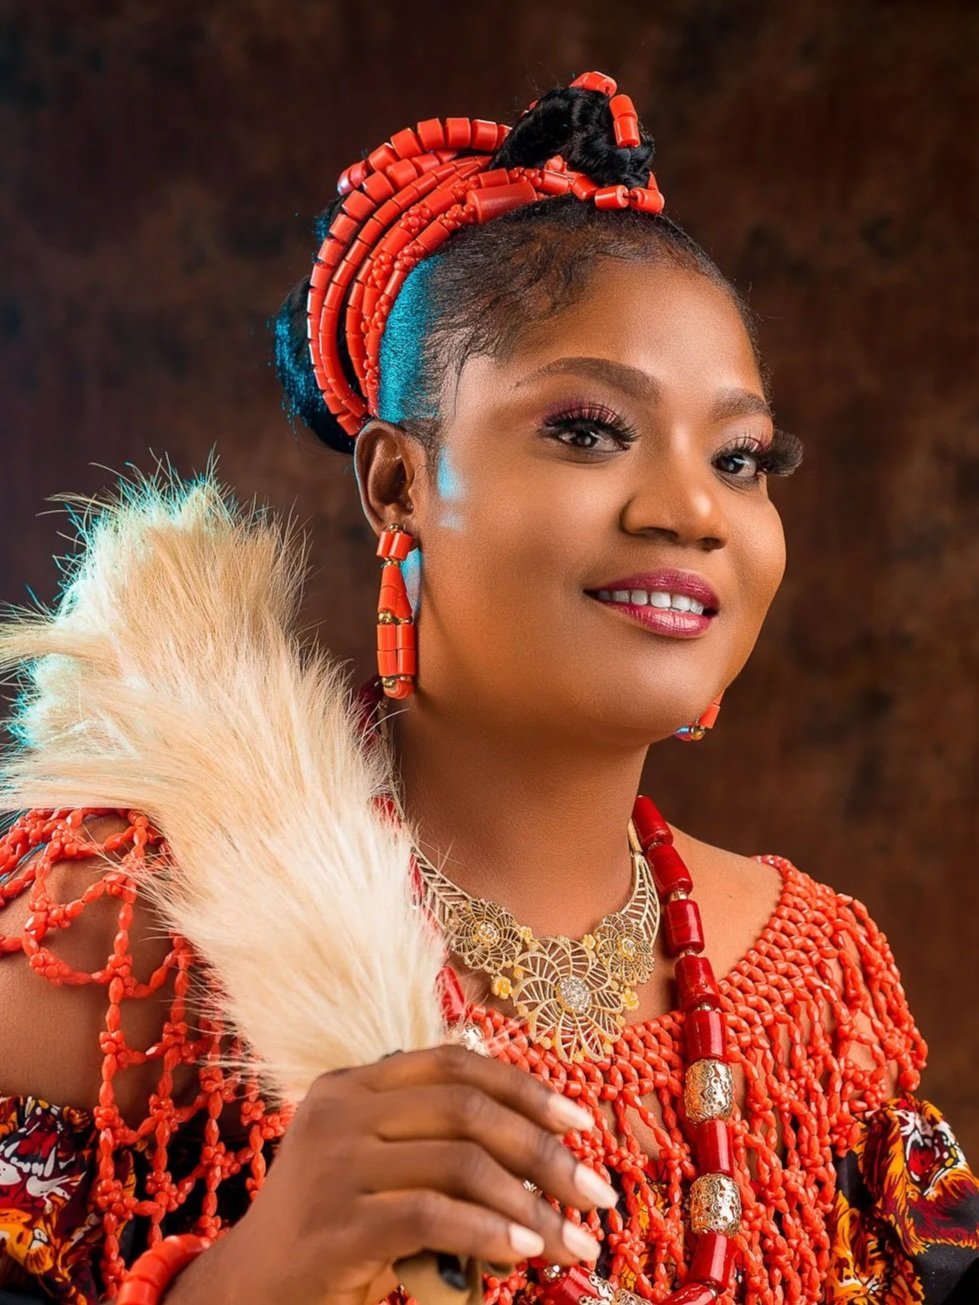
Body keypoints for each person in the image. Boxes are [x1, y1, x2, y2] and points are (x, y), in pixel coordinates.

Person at [0, 71, 976, 1305]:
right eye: (585, 430)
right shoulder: (133, 919)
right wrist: (264, 1270)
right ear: (397, 489)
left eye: (740, 458)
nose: (689, 510)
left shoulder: (818, 986)